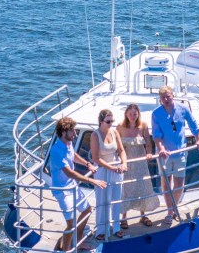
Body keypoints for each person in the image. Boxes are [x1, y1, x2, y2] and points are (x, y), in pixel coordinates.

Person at [50, 117, 107, 252]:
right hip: (63, 190)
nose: (75, 134)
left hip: (72, 186)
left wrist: (87, 164)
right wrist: (92, 181)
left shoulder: (68, 144)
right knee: (70, 224)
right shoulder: (57, 150)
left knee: (87, 210)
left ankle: (77, 241)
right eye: (72, 131)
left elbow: (73, 155)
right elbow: (70, 173)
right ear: (64, 132)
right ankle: (66, 250)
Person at [151, 85, 199, 225]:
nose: (166, 99)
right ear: (160, 99)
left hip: (180, 152)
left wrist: (198, 138)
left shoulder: (183, 109)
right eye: (163, 97)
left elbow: (193, 124)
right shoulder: (156, 114)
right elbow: (156, 134)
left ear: (172, 95)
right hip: (165, 154)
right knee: (166, 183)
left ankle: (174, 207)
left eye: (168, 96)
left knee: (179, 184)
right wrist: (161, 149)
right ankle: (170, 211)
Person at [116, 104, 160, 229]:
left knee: (142, 186)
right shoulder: (120, 127)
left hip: (140, 162)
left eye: (134, 114)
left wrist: (149, 153)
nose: (132, 116)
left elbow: (148, 142)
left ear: (138, 114)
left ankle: (143, 215)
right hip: (127, 162)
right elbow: (117, 146)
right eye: (130, 114)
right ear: (126, 114)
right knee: (126, 188)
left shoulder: (143, 125)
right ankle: (123, 218)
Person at [90, 109, 128, 240]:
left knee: (116, 200)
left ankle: (116, 227)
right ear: (101, 121)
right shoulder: (95, 135)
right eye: (108, 121)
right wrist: (111, 167)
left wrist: (124, 163)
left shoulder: (114, 132)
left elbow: (121, 150)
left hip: (116, 170)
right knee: (102, 201)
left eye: (112, 120)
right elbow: (96, 158)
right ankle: (100, 229)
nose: (110, 123)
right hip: (102, 171)